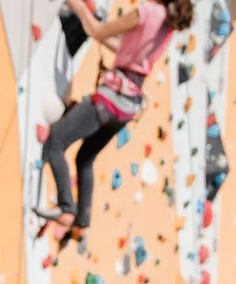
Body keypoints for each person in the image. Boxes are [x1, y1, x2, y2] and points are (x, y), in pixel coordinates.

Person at [36, 0, 194, 237]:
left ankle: (66, 206)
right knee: (85, 158)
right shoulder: (167, 25)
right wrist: (93, 27)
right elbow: (122, 49)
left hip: (111, 99)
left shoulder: (146, 12)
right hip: (128, 107)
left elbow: (97, 31)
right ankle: (83, 220)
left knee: (55, 142)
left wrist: (79, 8)